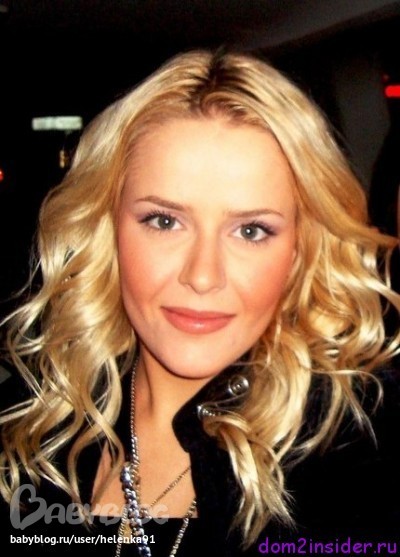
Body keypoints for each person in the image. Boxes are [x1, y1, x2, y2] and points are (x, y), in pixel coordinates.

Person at [1, 48, 400, 557]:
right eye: (164, 221)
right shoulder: (29, 424)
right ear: (107, 230)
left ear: (300, 251)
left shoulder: (364, 455)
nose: (203, 276)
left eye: (251, 230)